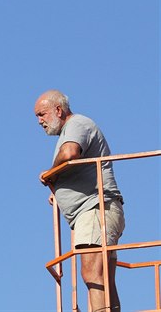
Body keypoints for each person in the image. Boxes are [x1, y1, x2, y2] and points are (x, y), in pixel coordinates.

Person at [35, 90, 125, 311]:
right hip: (97, 209)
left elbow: (69, 153)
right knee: (103, 277)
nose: (40, 121)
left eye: (42, 114)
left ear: (58, 109)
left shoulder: (77, 125)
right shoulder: (72, 129)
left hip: (95, 207)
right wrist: (60, 191)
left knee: (92, 273)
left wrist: (50, 174)